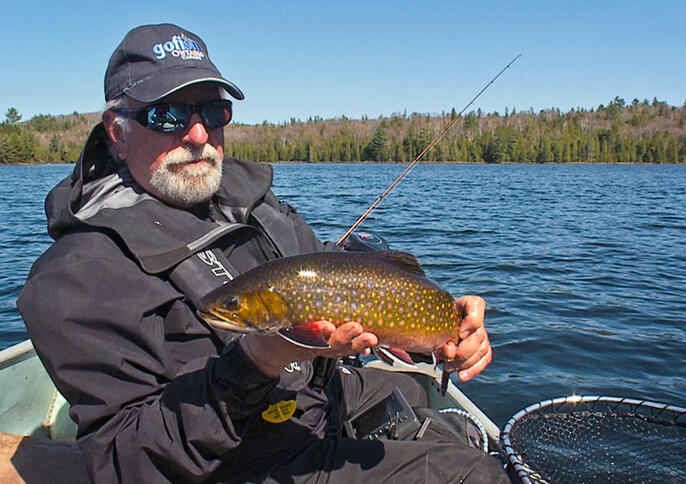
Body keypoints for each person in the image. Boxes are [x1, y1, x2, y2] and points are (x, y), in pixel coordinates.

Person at [18, 23, 509, 483]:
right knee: (474, 475)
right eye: (166, 114)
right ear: (117, 132)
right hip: (245, 463)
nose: (196, 134)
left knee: (429, 403)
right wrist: (258, 359)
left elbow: (348, 291)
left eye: (212, 111)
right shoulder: (75, 279)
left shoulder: (253, 204)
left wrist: (440, 332)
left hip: (317, 401)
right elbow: (130, 462)